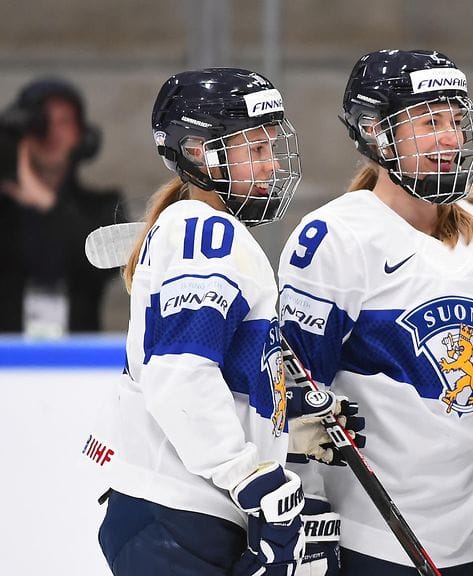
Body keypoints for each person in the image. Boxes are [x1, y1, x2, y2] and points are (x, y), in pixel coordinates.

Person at [277, 49, 473, 575]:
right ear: (376, 132)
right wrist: (307, 506)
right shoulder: (333, 238)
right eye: (430, 122)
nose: (450, 138)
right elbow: (294, 390)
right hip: (375, 534)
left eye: (455, 121)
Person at [85, 68, 312, 576]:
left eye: (270, 147)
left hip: (177, 511)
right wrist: (245, 473)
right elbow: (180, 373)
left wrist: (285, 418)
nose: (271, 164)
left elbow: (217, 369)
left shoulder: (200, 227)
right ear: (196, 151)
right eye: (253, 150)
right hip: (178, 512)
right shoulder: (205, 231)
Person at [0, 77, 126, 336]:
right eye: (42, 122)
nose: (53, 133)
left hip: (75, 365)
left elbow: (104, 267)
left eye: (64, 122)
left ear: (82, 135)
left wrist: (47, 204)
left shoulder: (103, 208)